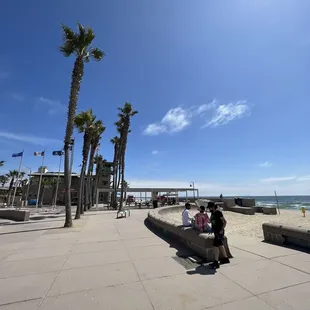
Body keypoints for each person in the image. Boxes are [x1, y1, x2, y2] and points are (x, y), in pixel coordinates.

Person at [207, 201, 230, 269]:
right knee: (220, 245)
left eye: (210, 208)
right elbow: (212, 222)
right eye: (209, 208)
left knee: (215, 246)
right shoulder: (212, 213)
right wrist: (212, 228)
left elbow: (225, 222)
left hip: (219, 232)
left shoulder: (218, 212)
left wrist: (221, 229)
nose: (209, 209)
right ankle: (226, 259)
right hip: (215, 231)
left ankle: (216, 262)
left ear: (213, 207)